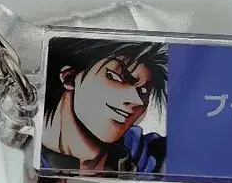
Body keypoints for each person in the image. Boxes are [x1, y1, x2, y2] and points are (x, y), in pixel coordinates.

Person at [40, 37, 168, 175]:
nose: (138, 101)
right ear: (69, 78)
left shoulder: (149, 154)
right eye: (115, 77)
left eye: (144, 91)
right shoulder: (29, 157)